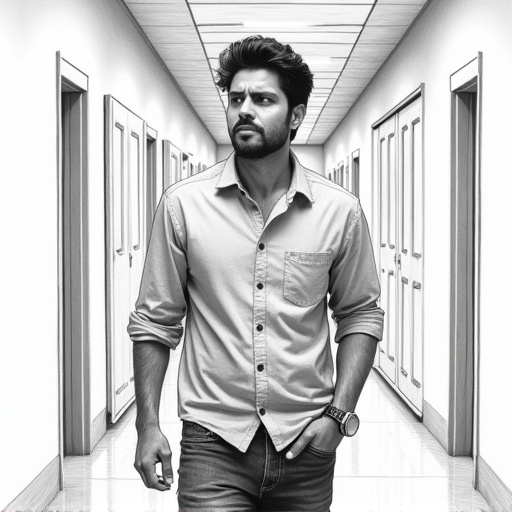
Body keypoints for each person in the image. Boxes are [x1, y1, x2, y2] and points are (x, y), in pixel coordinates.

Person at [127, 35, 384, 511]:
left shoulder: (339, 213)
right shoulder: (183, 206)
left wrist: (338, 415)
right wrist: (146, 426)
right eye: (236, 98)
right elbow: (154, 322)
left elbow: (361, 315)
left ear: (296, 115)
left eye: (263, 99)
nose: (244, 109)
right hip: (213, 444)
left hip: (306, 444)